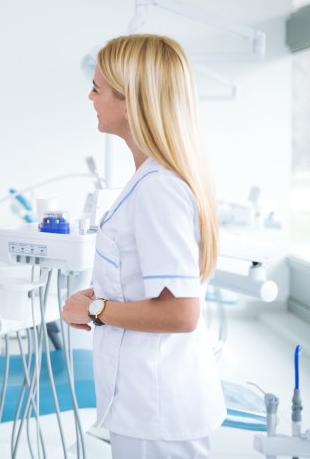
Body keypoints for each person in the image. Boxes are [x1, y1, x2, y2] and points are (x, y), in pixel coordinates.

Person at [61, 34, 226, 458]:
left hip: (159, 407)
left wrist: (95, 311)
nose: (89, 96)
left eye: (97, 88)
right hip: (151, 401)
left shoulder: (159, 189)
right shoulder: (152, 180)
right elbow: (152, 288)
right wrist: (104, 297)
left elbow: (181, 312)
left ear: (132, 101)